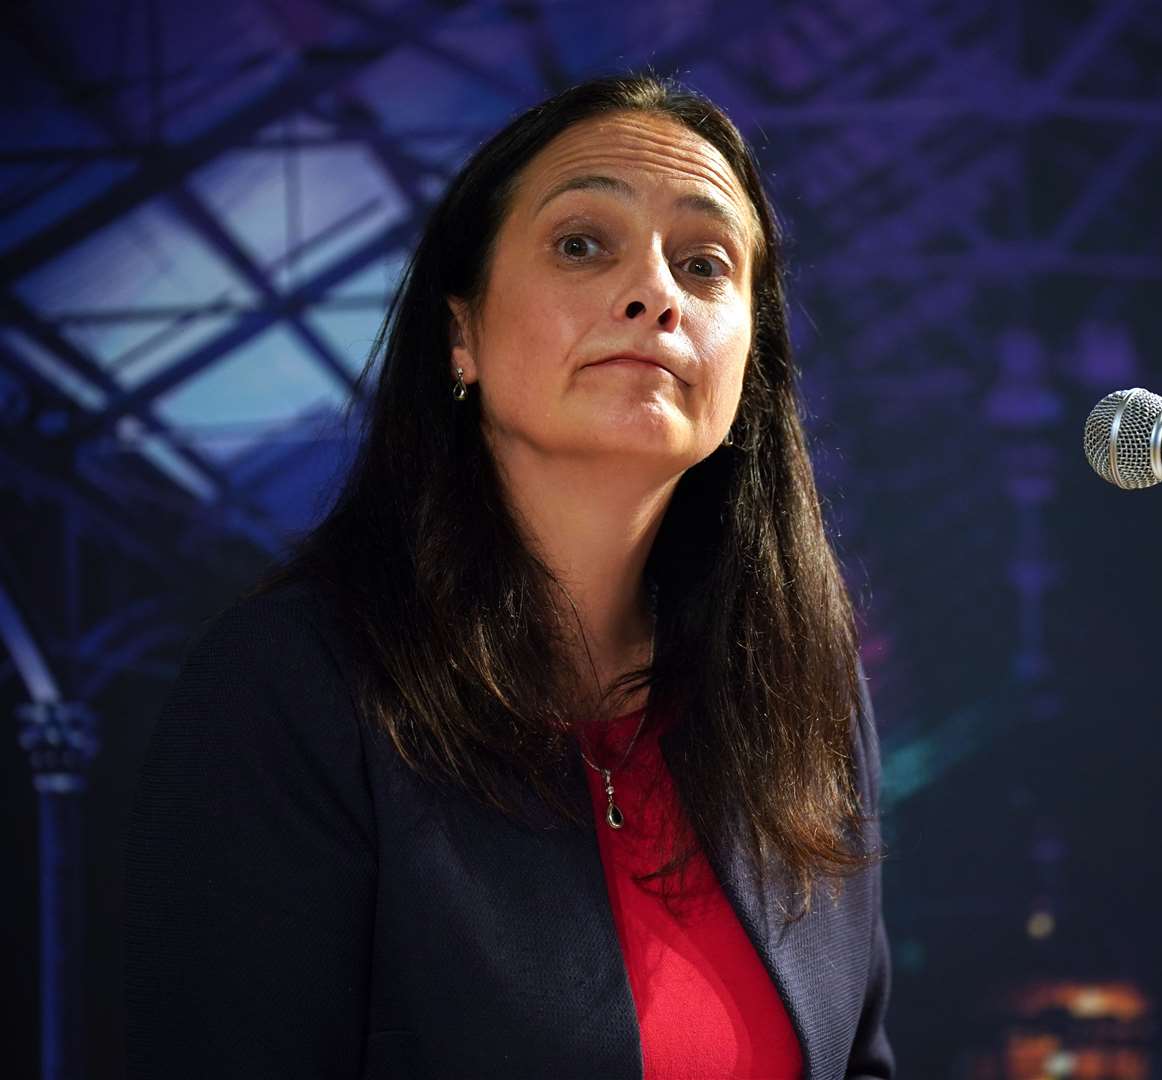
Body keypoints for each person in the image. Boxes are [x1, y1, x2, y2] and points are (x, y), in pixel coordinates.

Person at [123, 73, 892, 1079]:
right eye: (583, 244)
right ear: (460, 336)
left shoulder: (804, 700)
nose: (656, 291)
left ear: (748, 363)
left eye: (706, 264)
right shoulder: (291, 688)